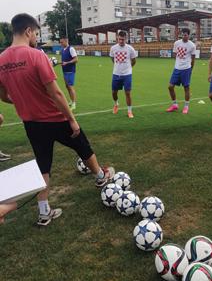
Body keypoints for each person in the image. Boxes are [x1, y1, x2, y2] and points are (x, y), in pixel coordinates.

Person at [0, 13, 114, 226]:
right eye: (35, 33)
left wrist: (21, 101)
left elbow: (3, 96)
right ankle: (101, 177)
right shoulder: (36, 55)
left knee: (43, 165)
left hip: (31, 123)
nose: (36, 37)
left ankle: (44, 212)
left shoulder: (1, 60)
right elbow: (56, 94)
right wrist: (71, 119)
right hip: (55, 118)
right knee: (83, 146)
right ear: (28, 31)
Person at [166, 28, 196, 114]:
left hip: (186, 69)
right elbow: (175, 54)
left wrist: (190, 69)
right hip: (177, 68)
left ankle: (186, 106)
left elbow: (193, 59)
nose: (184, 36)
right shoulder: (177, 43)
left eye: (185, 35)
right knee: (170, 87)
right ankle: (175, 104)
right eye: (182, 34)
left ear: (189, 35)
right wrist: (178, 63)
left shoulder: (192, 45)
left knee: (186, 87)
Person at [110, 30, 137, 118]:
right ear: (117, 38)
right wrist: (118, 66)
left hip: (127, 74)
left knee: (128, 93)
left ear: (126, 39)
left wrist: (128, 68)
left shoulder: (130, 49)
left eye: (123, 39)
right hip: (116, 74)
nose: (121, 41)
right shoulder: (113, 48)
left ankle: (129, 111)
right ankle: (116, 104)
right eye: (120, 39)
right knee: (114, 92)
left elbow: (134, 61)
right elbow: (112, 58)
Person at [60, 37, 78, 110]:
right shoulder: (63, 50)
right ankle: (71, 101)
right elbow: (64, 60)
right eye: (60, 42)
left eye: (62, 42)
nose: (61, 44)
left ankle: (74, 103)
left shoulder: (71, 49)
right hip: (64, 71)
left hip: (70, 71)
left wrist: (67, 63)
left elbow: (76, 59)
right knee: (67, 87)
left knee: (70, 87)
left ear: (66, 41)